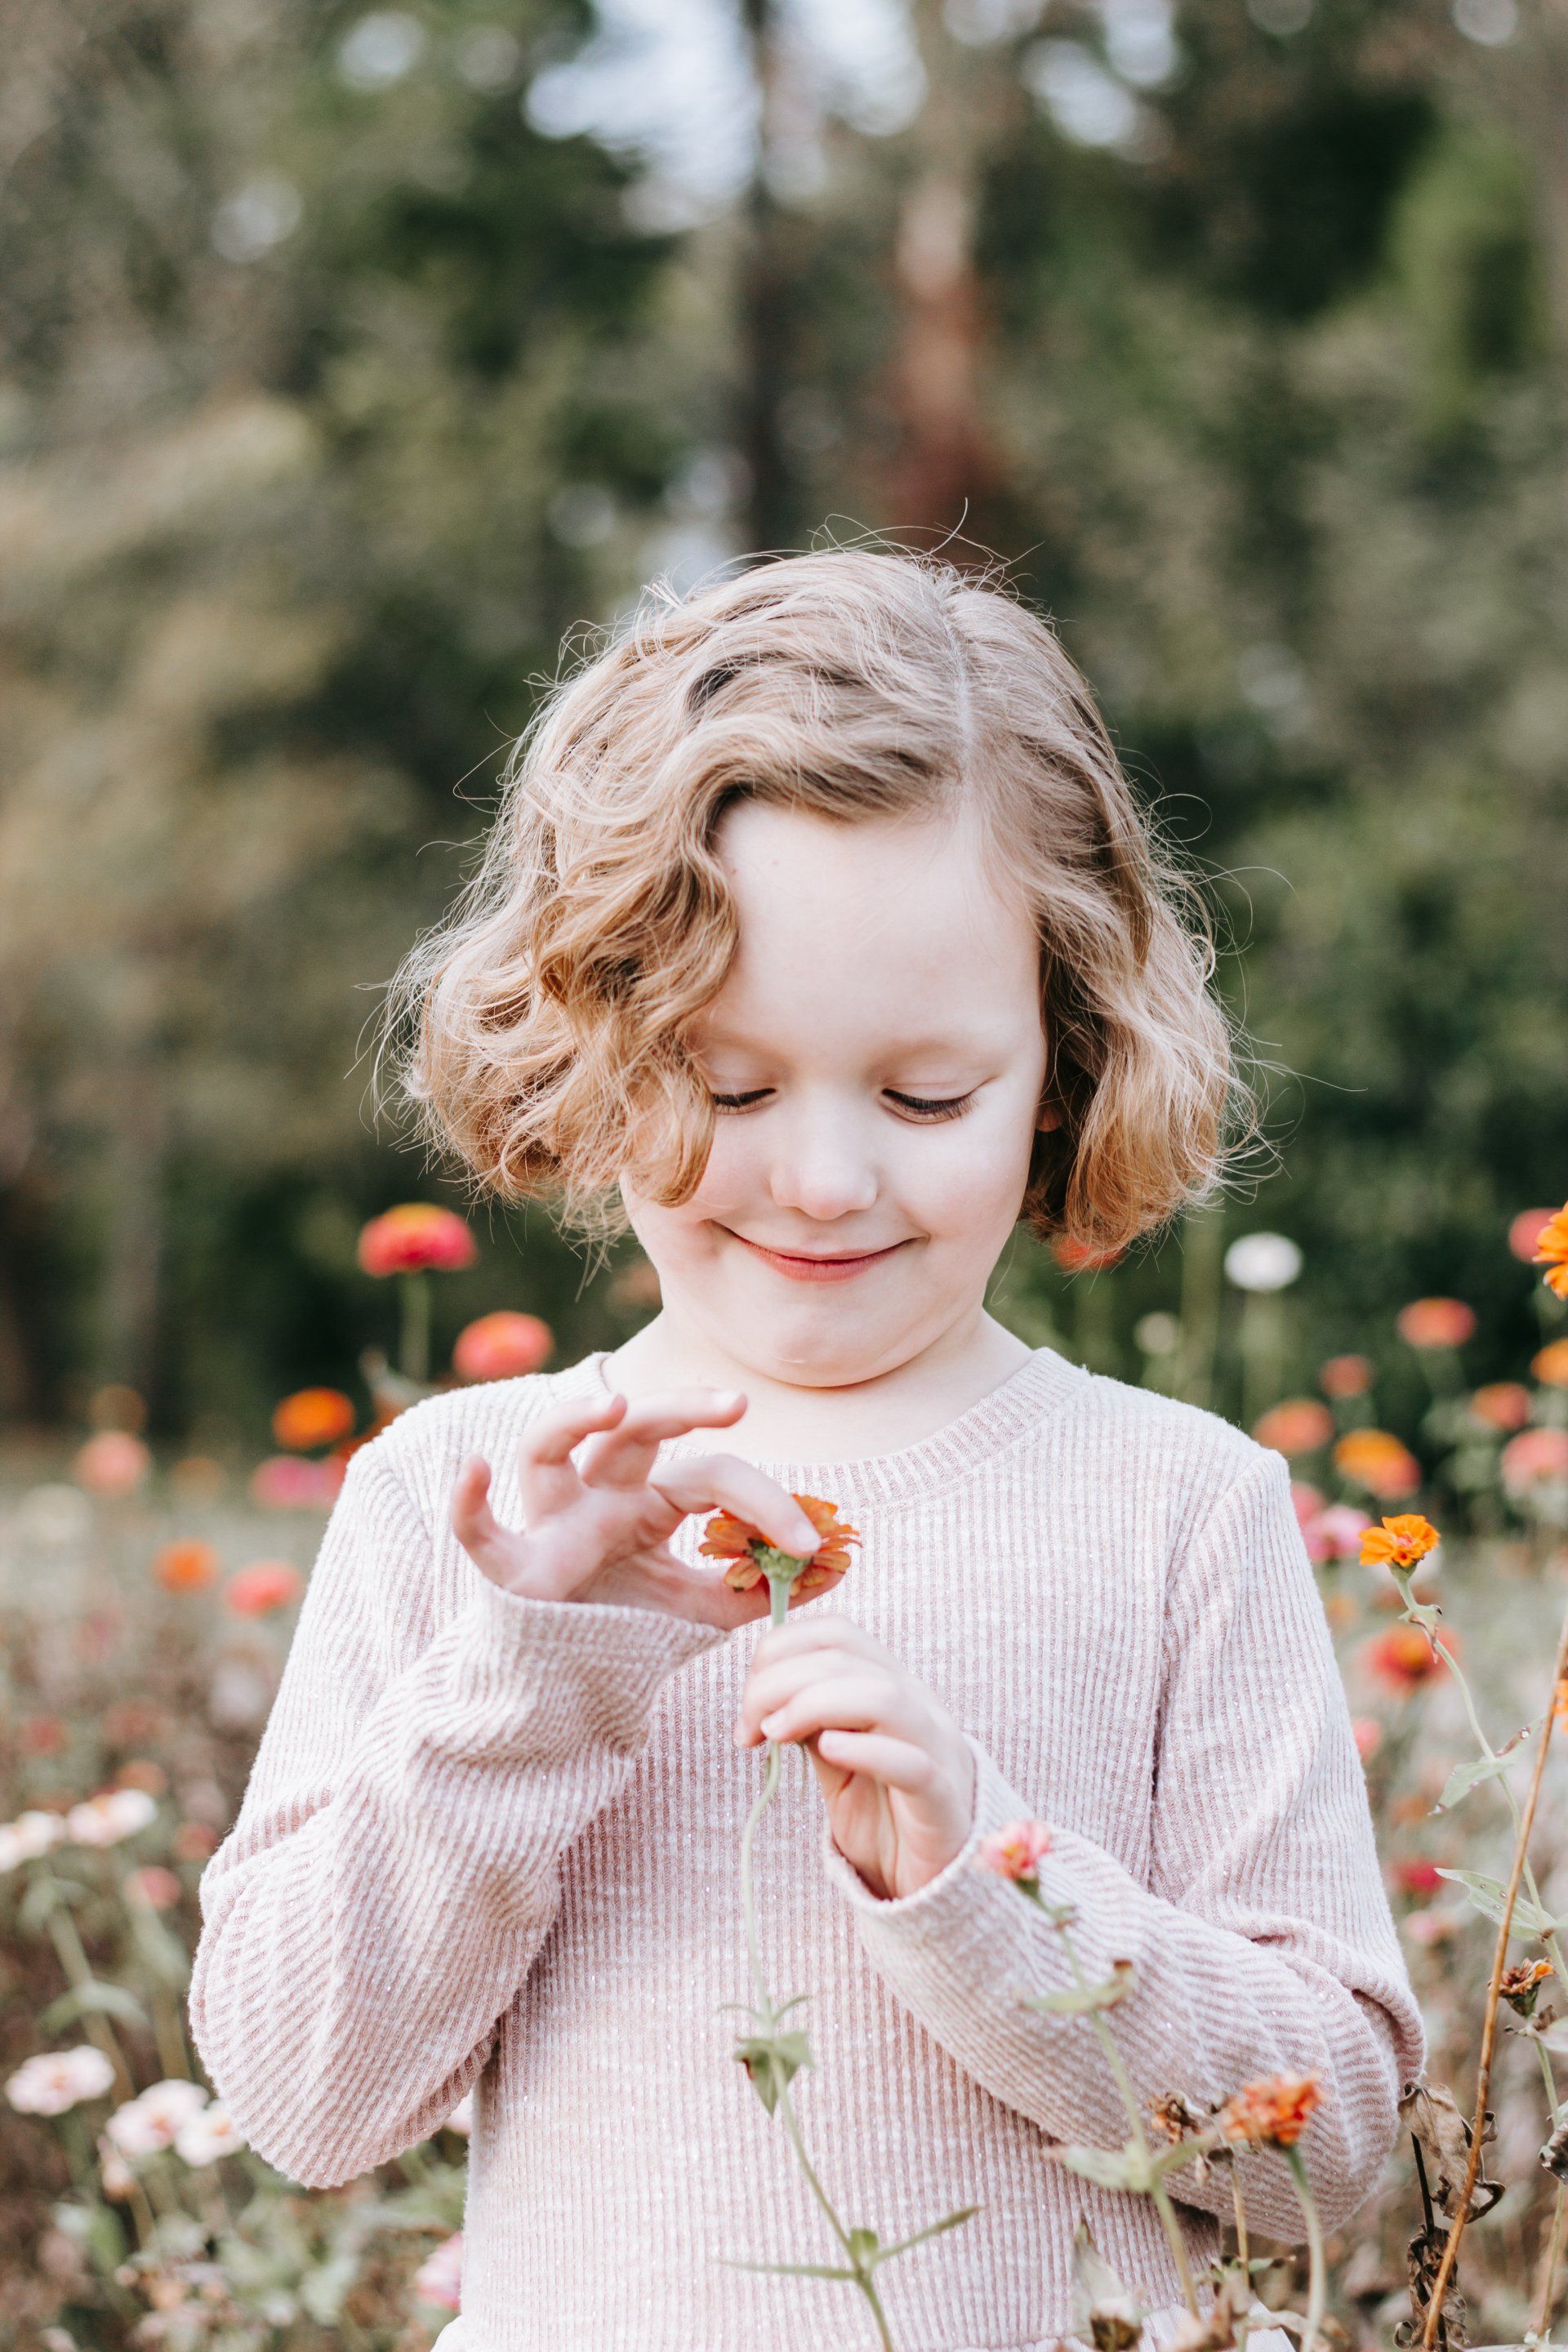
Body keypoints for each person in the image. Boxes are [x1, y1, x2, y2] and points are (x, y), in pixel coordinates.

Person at [189, 546, 1424, 2352]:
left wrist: (987, 1880)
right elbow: (304, 2096)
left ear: (1067, 1062)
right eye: (730, 1085)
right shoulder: (465, 1500)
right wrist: (533, 1677)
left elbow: (1331, 2159)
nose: (828, 1181)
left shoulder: (1178, 1508)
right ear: (596, 1044)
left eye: (928, 1095)